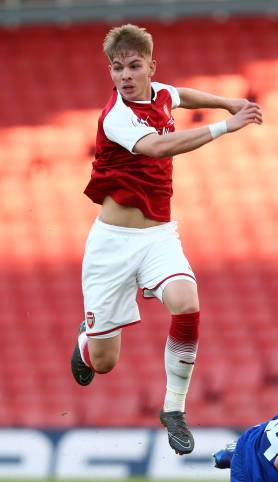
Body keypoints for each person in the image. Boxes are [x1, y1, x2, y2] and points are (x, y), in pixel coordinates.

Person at [69, 24, 262, 455]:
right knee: (104, 362)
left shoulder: (157, 93)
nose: (125, 75)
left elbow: (180, 94)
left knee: (186, 300)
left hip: (158, 235)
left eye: (134, 66)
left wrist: (226, 99)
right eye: (117, 68)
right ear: (111, 73)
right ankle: (87, 339)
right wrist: (225, 125)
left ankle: (173, 408)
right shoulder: (116, 116)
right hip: (112, 246)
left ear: (150, 67)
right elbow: (158, 148)